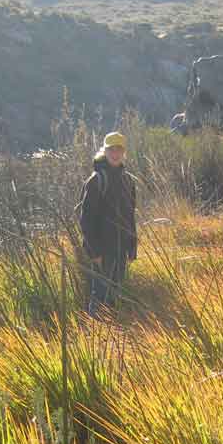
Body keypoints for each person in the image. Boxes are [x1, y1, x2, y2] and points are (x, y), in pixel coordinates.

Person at [80, 131, 137, 316]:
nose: (115, 153)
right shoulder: (96, 181)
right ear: (104, 151)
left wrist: (132, 248)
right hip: (102, 251)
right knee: (99, 297)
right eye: (111, 149)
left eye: (119, 149)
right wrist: (94, 252)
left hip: (121, 250)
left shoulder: (128, 180)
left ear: (124, 152)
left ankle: (111, 336)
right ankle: (95, 336)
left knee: (115, 296)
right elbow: (86, 220)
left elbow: (130, 217)